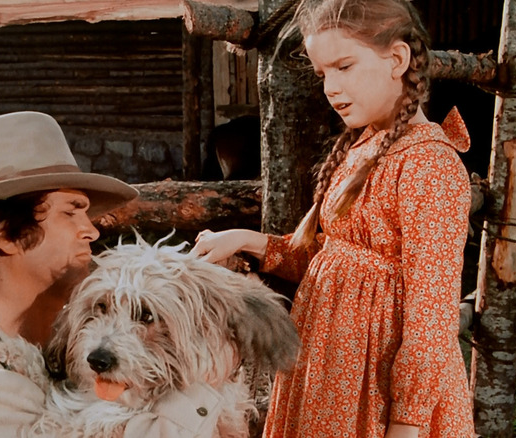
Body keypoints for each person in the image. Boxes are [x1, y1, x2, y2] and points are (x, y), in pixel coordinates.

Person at [191, 0, 475, 437]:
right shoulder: (367, 147)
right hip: (330, 378)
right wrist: (247, 240)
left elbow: (431, 317)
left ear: (397, 59)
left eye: (344, 66)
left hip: (378, 396)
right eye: (323, 74)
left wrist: (407, 423)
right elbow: (335, 265)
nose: (330, 87)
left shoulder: (428, 166)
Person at [0, 111, 226, 437]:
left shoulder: (49, 352)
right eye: (70, 213)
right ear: (5, 234)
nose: (91, 232)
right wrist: (208, 380)